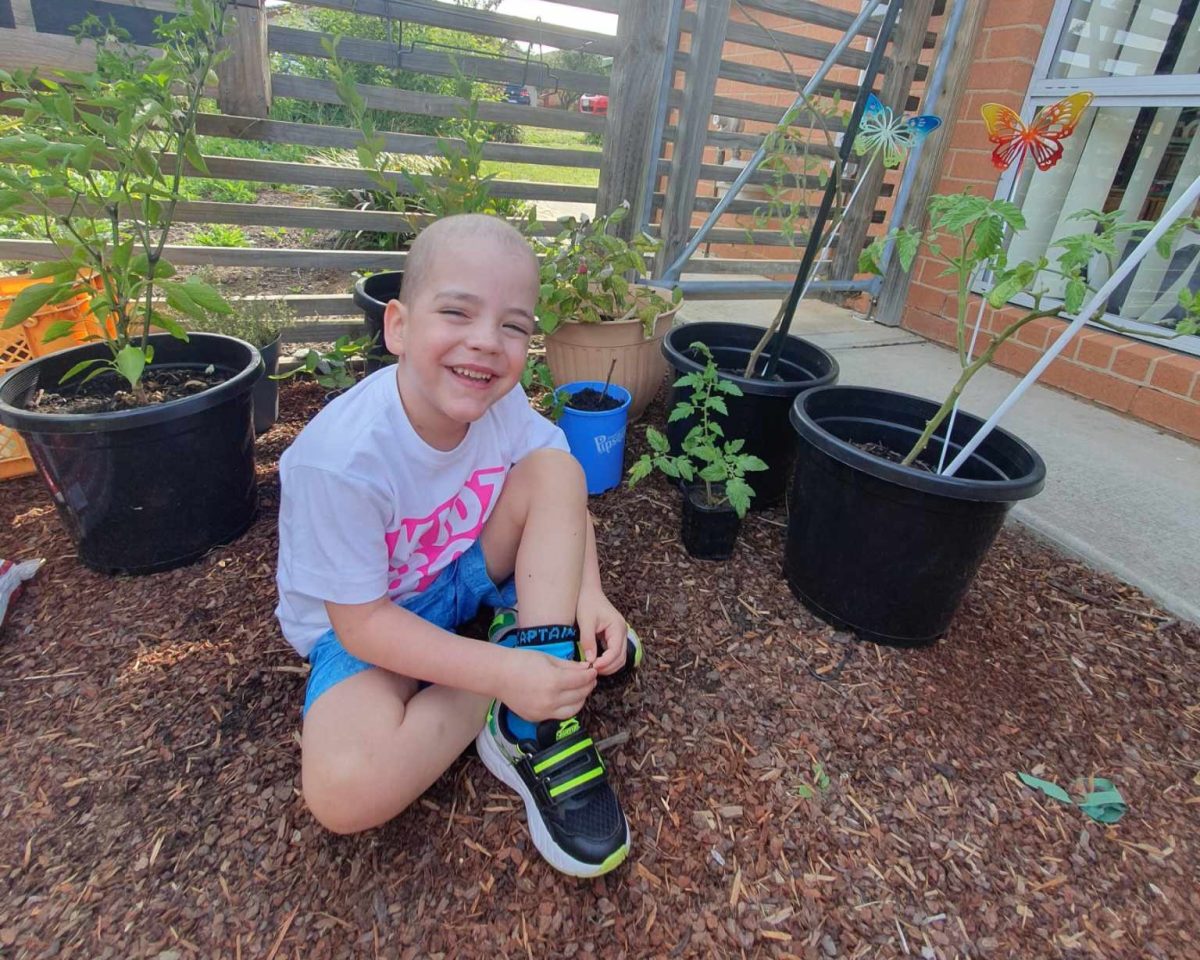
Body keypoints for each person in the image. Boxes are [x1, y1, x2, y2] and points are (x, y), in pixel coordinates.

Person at [275, 214, 639, 878]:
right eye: (458, 312)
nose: (486, 344)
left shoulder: (498, 407)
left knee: (557, 470)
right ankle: (517, 676)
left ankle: (535, 715)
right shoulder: (340, 461)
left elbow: (560, 489)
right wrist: (500, 674)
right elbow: (360, 625)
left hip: (462, 570)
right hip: (370, 625)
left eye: (513, 326)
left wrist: (592, 593)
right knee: (343, 792)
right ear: (398, 327)